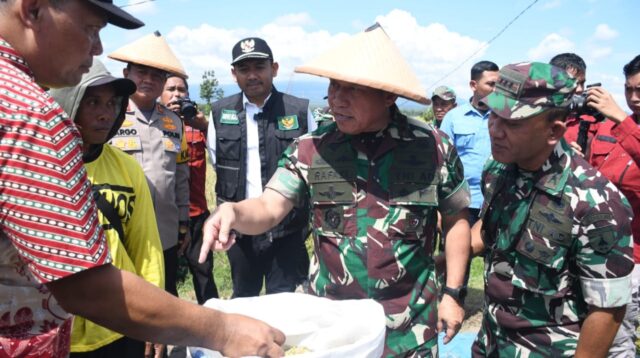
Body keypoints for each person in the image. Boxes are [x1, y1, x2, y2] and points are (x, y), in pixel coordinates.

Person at [0, 0, 283, 357]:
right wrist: (222, 331)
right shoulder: (27, 114)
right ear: (33, 9)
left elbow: (182, 178)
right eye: (90, 29)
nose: (99, 47)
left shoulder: (171, 123)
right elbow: (81, 284)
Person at [200, 23, 471, 356]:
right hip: (335, 329)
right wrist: (233, 211)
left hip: (409, 326)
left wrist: (454, 294)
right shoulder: (313, 148)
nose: (336, 98)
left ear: (387, 95)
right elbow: (270, 207)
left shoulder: (432, 146)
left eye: (351, 89)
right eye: (333, 86)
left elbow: (457, 221)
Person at [470, 62, 634, 357]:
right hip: (492, 344)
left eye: (513, 123)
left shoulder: (595, 202)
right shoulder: (498, 170)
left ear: (554, 131)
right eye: (493, 114)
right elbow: (487, 230)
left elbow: (608, 310)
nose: (495, 129)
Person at [50, 59, 165, 357]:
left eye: (112, 103)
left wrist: (155, 319)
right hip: (56, 328)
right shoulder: (41, 167)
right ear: (68, 102)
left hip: (120, 322)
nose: (105, 114)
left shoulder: (126, 168)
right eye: (93, 102)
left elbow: (146, 248)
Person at [207, 37, 315, 298]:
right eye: (244, 69)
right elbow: (215, 160)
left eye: (259, 67)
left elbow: (312, 165)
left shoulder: (299, 111)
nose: (252, 75)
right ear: (234, 74)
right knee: (244, 299)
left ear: (274, 69)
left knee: (286, 302)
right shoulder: (220, 113)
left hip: (288, 230)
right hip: (241, 231)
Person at [107, 31, 192, 357]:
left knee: (162, 302)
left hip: (164, 234)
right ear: (126, 74)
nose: (149, 79)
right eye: (142, 71)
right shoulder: (108, 116)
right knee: (121, 309)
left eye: (157, 74)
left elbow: (181, 177)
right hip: (121, 236)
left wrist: (184, 224)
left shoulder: (173, 122)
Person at [582, 54, 640, 357]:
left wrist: (622, 119)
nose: (633, 98)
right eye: (628, 89)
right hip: (604, 250)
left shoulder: (623, 123)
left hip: (635, 258)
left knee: (617, 340)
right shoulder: (609, 128)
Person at [161, 74, 218, 304]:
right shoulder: (153, 125)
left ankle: (213, 329)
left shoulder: (196, 126)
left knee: (204, 274)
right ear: (160, 93)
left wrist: (203, 124)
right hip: (165, 218)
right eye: (170, 89)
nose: (176, 94)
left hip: (196, 216)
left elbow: (222, 148)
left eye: (181, 90)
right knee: (166, 280)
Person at [440, 61, 499, 225]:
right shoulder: (453, 118)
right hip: (462, 201)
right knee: (458, 248)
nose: (496, 90)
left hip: (496, 199)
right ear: (473, 85)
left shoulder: (505, 117)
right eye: (490, 84)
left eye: (498, 85)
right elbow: (442, 160)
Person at [550, 52, 597, 155]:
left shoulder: (593, 121)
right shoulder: (535, 118)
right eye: (573, 83)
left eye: (582, 83)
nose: (579, 89)